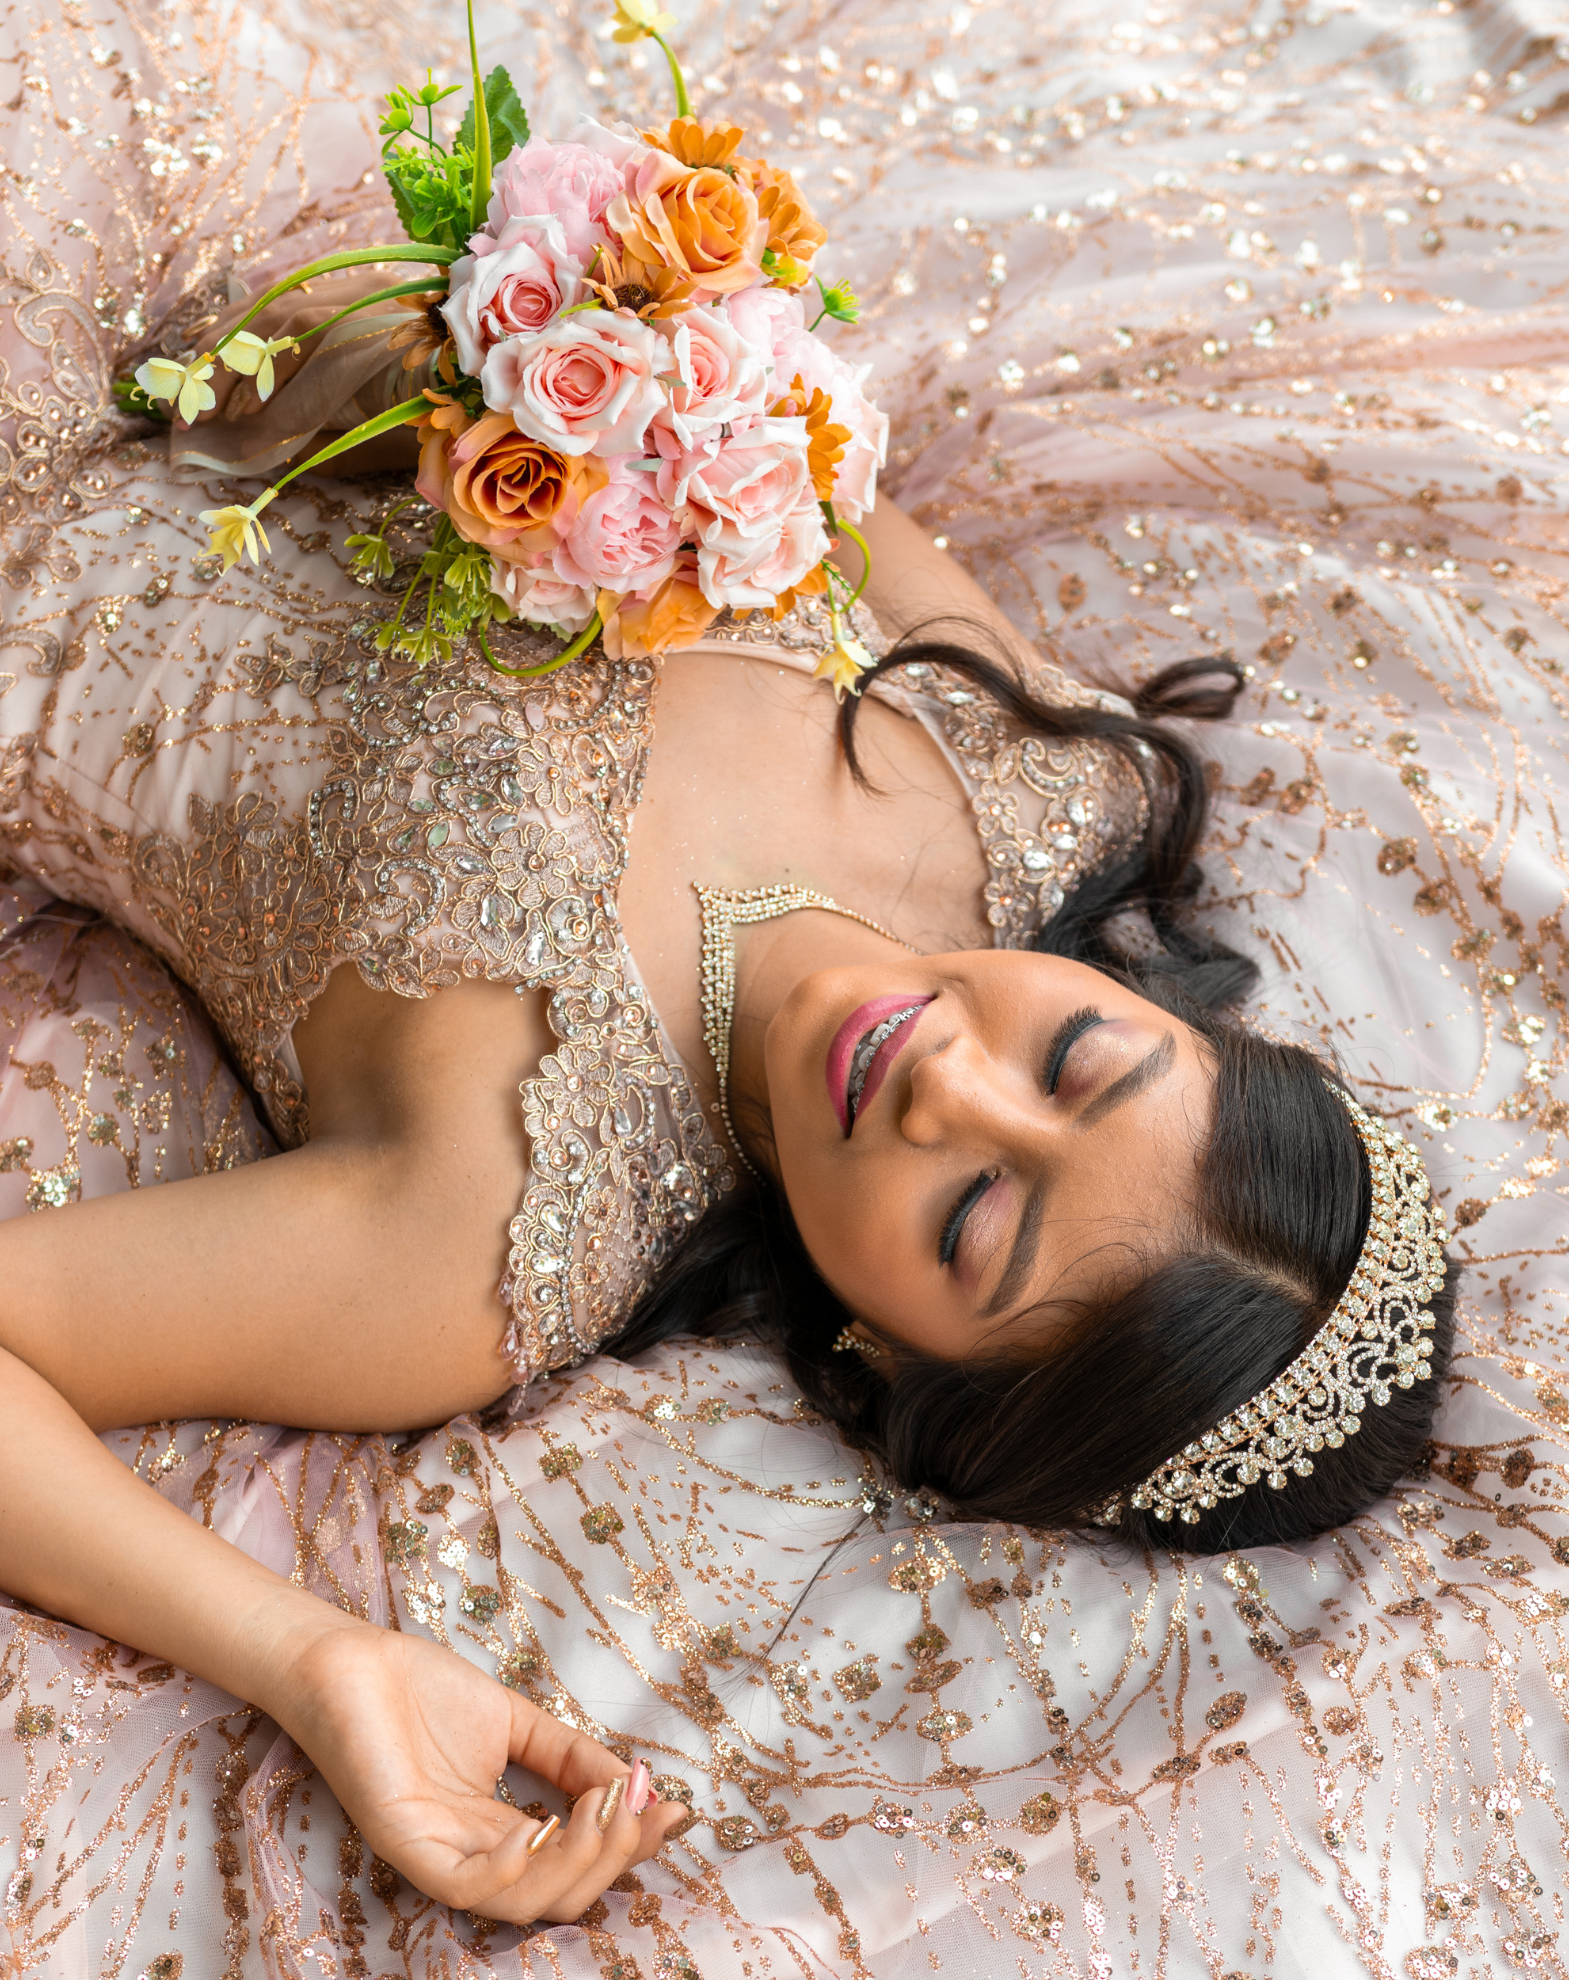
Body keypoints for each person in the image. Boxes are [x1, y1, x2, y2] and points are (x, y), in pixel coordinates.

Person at [0, 0, 1522, 1960]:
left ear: (887, 1359)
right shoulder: (1028, 776)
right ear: (1153, 1009)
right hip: (204, 213)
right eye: (1079, 1059)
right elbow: (786, 434)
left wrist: (313, 1666)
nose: (949, 1085)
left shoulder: (482, 1244)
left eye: (974, 1217)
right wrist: (598, 334)